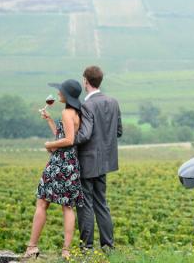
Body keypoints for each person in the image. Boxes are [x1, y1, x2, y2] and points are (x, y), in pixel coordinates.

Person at [23, 79, 84, 259]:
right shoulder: (75, 112)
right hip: (71, 163)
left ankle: (32, 246)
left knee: (42, 202)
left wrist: (49, 144)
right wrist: (50, 121)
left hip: (59, 163)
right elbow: (63, 135)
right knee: (67, 206)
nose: (58, 94)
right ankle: (66, 251)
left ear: (67, 94)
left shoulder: (67, 113)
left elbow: (69, 140)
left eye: (60, 91)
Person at [75, 65, 122, 251]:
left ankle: (86, 247)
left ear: (85, 80)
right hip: (105, 162)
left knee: (85, 203)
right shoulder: (113, 102)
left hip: (87, 162)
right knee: (101, 203)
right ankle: (108, 246)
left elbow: (85, 135)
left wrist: (68, 140)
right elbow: (118, 131)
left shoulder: (86, 105)